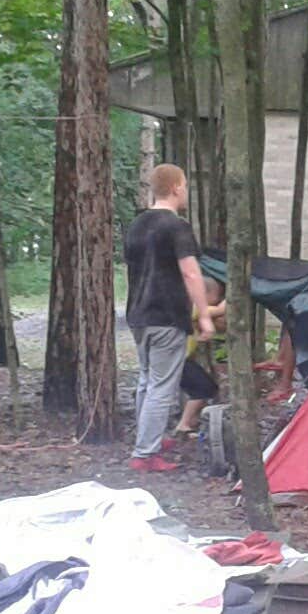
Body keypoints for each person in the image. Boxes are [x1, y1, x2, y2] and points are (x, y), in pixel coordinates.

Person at [123, 163, 214, 472]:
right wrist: (204, 315)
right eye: (185, 185)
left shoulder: (136, 225)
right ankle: (145, 453)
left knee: (148, 380)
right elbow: (190, 272)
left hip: (138, 314)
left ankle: (148, 438)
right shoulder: (176, 226)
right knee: (162, 385)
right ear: (176, 187)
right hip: (166, 314)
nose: (186, 191)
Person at [174, 280, 227, 440]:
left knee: (205, 388)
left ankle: (191, 421)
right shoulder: (194, 307)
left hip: (182, 360)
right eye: (215, 297)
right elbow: (219, 310)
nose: (216, 301)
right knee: (204, 389)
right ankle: (184, 424)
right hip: (179, 361)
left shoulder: (186, 307)